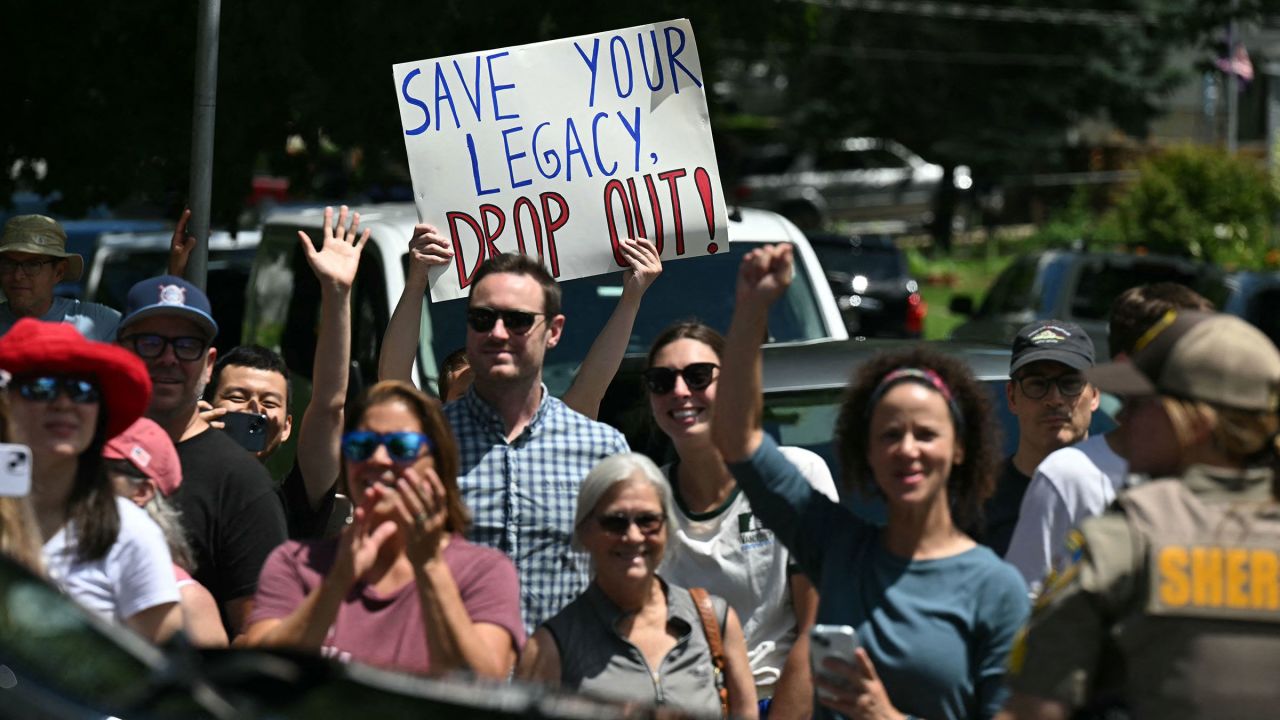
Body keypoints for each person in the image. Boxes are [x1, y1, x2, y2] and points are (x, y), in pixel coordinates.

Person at [713, 244, 1029, 720]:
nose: (907, 448)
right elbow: (738, 441)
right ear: (867, 453)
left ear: (960, 448)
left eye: (926, 434)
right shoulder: (837, 548)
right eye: (890, 434)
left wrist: (887, 717)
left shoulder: (996, 588)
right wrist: (752, 310)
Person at [1002, 311, 1280, 719]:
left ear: (1194, 424)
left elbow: (1032, 709)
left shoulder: (1123, 540)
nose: (1121, 417)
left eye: (1138, 404)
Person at [244, 380, 524, 678]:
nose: (377, 459)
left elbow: (483, 682)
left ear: (438, 463)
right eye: (361, 446)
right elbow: (261, 676)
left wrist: (430, 567)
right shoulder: (295, 562)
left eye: (401, 447)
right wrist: (337, 580)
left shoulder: (485, 572)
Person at [644, 320, 838, 719]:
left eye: (698, 377)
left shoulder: (797, 476)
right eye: (661, 380)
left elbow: (820, 628)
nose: (680, 391)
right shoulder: (645, 501)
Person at [1005, 283, 1215, 594]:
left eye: (1070, 384)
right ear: (1124, 369)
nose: (1054, 399)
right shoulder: (1069, 476)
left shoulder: (1237, 467)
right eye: (1186, 354)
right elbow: (1023, 605)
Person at [518, 452, 758, 718]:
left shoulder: (715, 621)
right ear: (584, 531)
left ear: (668, 528)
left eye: (648, 521)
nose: (632, 536)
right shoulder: (551, 648)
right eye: (614, 522)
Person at [116, 273, 286, 636]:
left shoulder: (240, 480)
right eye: (150, 342)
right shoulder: (82, 451)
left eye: (186, 346)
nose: (169, 358)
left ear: (209, 364)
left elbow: (259, 633)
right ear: (122, 351)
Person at [0, 319, 181, 643]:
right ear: (6, 403)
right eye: (41, 387)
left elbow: (169, 672)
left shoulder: (131, 534)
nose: (64, 403)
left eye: (82, 390)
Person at [192, 206, 367, 539]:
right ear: (208, 406)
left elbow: (329, 405)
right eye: (237, 396)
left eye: (269, 402)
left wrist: (336, 292)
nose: (254, 410)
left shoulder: (296, 501)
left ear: (287, 426)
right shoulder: (178, 485)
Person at [379, 222, 662, 420]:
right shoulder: (439, 441)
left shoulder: (562, 433)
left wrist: (632, 297)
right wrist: (416, 282)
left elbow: (593, 384)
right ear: (444, 406)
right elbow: (394, 379)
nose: (489, 393)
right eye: (468, 394)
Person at [104, 417, 229, 647]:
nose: (83, 478)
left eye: (102, 469)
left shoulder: (188, 601)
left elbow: (205, 683)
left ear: (142, 491)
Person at [982, 320, 1100, 556]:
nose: (1054, 398)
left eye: (1070, 383)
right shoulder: (979, 501)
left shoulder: (1126, 493)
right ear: (1012, 397)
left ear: (1095, 393)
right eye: (1037, 385)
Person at [0, 215, 120, 340]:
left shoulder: (98, 322)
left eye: (33, 264)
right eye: (9, 263)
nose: (18, 276)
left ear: (59, 272)